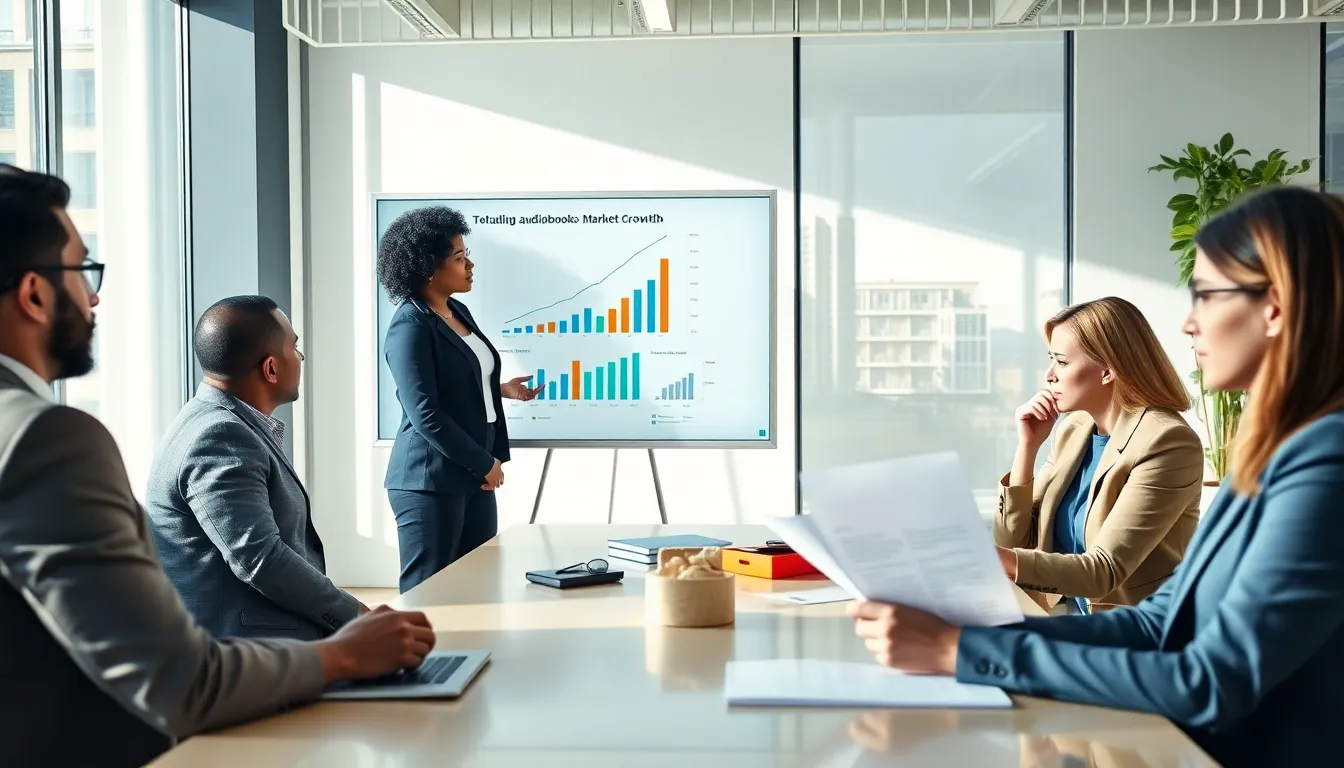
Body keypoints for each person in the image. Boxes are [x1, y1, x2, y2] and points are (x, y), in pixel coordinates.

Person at [849, 185, 1344, 767]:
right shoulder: (1275, 449)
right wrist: (966, 646)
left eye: (1206, 296)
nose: (1188, 324)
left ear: (1276, 307)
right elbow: (1164, 620)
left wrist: (961, 651)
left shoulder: (1327, 462)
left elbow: (1210, 679)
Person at [0, 165, 437, 768]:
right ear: (33, 293)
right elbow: (182, 675)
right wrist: (346, 649)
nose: (94, 294)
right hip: (225, 673)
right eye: (82, 270)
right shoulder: (44, 437)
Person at [146, 295, 366, 640]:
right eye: (294, 348)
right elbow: (262, 559)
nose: (300, 357)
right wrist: (355, 617)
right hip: (248, 652)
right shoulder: (220, 436)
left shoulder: (210, 420)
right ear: (271, 368)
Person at [994, 297, 1203, 613]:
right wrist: (1027, 448)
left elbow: (1103, 572)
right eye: (1051, 360)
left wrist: (990, 558)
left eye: (1062, 362)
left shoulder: (1168, 442)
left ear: (1108, 370)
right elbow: (1014, 542)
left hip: (1141, 634)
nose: (1050, 375)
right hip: (1071, 622)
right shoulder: (1074, 430)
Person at [378, 206, 541, 592]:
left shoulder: (457, 311)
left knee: (478, 587)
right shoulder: (410, 326)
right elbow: (424, 412)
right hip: (429, 480)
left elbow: (454, 378)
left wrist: (500, 388)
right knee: (428, 593)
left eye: (467, 255)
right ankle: (423, 657)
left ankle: (471, 655)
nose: (470, 265)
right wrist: (484, 463)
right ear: (428, 268)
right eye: (458, 257)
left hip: (472, 476)